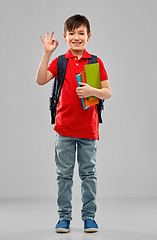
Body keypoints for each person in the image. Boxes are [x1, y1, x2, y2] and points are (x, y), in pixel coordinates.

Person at [36, 14, 112, 233]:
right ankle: (64, 218)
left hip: (88, 130)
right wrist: (47, 52)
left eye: (81, 33)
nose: (76, 38)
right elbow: (40, 79)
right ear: (65, 36)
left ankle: (89, 217)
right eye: (72, 33)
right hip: (64, 129)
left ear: (88, 36)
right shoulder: (60, 62)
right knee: (64, 176)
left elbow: (107, 92)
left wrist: (91, 91)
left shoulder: (95, 62)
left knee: (89, 175)